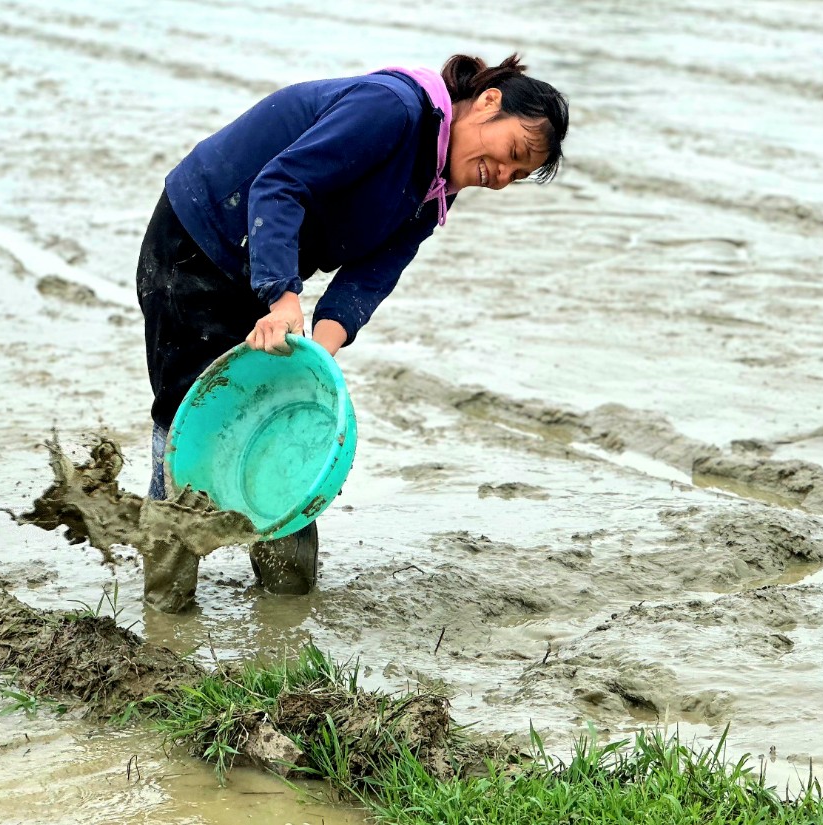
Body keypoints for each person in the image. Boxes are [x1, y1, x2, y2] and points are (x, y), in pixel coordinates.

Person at [136, 53, 568, 597]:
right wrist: (283, 296)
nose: (503, 177)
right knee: (184, 417)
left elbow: (367, 280)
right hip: (198, 236)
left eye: (518, 176)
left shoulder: (434, 195)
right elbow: (279, 185)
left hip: (267, 259)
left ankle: (286, 598)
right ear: (487, 102)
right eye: (512, 153)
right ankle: (167, 604)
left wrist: (317, 354)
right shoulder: (391, 110)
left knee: (279, 411)